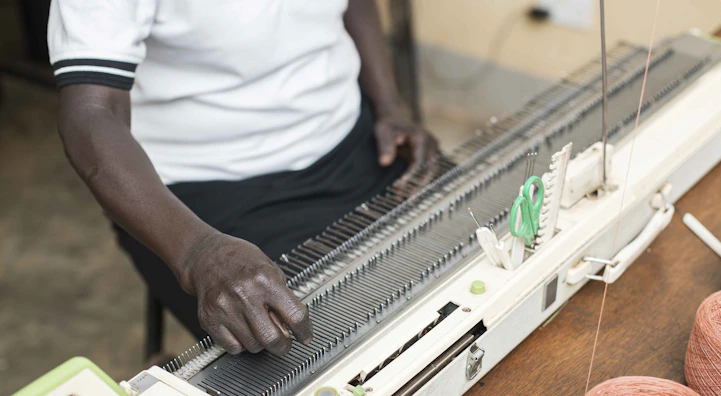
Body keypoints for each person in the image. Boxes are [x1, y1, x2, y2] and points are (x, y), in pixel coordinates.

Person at [48, 0, 437, 358]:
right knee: (342, 364)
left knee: (480, 269)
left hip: (356, 142)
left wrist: (389, 106)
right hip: (204, 205)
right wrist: (198, 254)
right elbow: (91, 116)